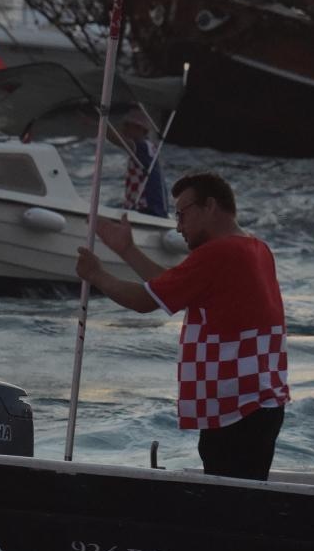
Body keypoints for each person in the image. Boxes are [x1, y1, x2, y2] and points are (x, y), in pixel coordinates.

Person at [75, 172, 289, 481]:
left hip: (236, 410)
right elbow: (173, 287)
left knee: (232, 504)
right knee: (244, 498)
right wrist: (127, 251)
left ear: (210, 206)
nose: (178, 226)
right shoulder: (254, 248)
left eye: (182, 214)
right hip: (259, 404)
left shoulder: (219, 253)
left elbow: (144, 301)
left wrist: (97, 275)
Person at [118, 108, 167, 218]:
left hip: (147, 209)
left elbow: (118, 140)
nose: (123, 129)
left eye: (127, 125)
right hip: (156, 208)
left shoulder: (141, 147)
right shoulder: (150, 147)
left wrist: (99, 126)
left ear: (139, 129)